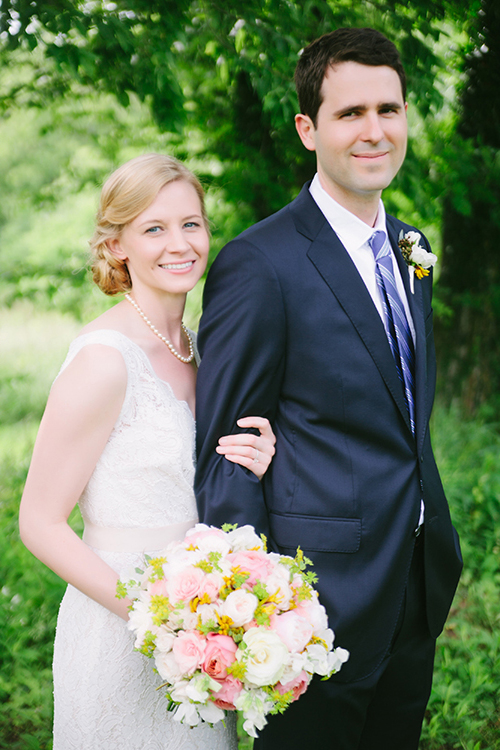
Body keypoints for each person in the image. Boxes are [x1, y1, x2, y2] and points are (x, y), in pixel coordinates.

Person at [194, 27, 463, 750]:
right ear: (308, 129)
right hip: (313, 608)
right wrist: (261, 614)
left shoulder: (413, 248)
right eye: (351, 114)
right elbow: (225, 454)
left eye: (389, 109)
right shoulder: (260, 264)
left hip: (415, 580)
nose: (375, 131)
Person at [19, 153, 276, 749]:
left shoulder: (205, 348)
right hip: (120, 625)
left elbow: (198, 478)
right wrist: (155, 619)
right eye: (154, 228)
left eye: (192, 223)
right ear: (117, 248)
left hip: (209, 627)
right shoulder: (104, 361)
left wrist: (259, 460)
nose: (179, 243)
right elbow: (39, 522)